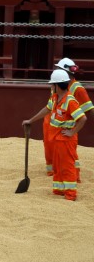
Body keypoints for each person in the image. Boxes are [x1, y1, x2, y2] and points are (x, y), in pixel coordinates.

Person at [23, 69, 87, 201]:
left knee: (67, 166)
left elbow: (83, 118)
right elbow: (47, 109)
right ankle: (59, 190)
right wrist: (31, 120)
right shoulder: (55, 98)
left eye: (52, 85)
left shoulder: (70, 101)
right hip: (57, 139)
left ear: (58, 85)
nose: (51, 87)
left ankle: (70, 194)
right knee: (57, 165)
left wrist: (72, 132)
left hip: (66, 140)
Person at [40, 58, 92, 180]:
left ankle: (73, 175)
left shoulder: (77, 89)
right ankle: (54, 171)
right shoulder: (56, 83)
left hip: (65, 126)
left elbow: (88, 110)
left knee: (68, 154)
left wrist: (73, 129)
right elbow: (50, 105)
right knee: (50, 148)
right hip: (52, 123)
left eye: (59, 68)